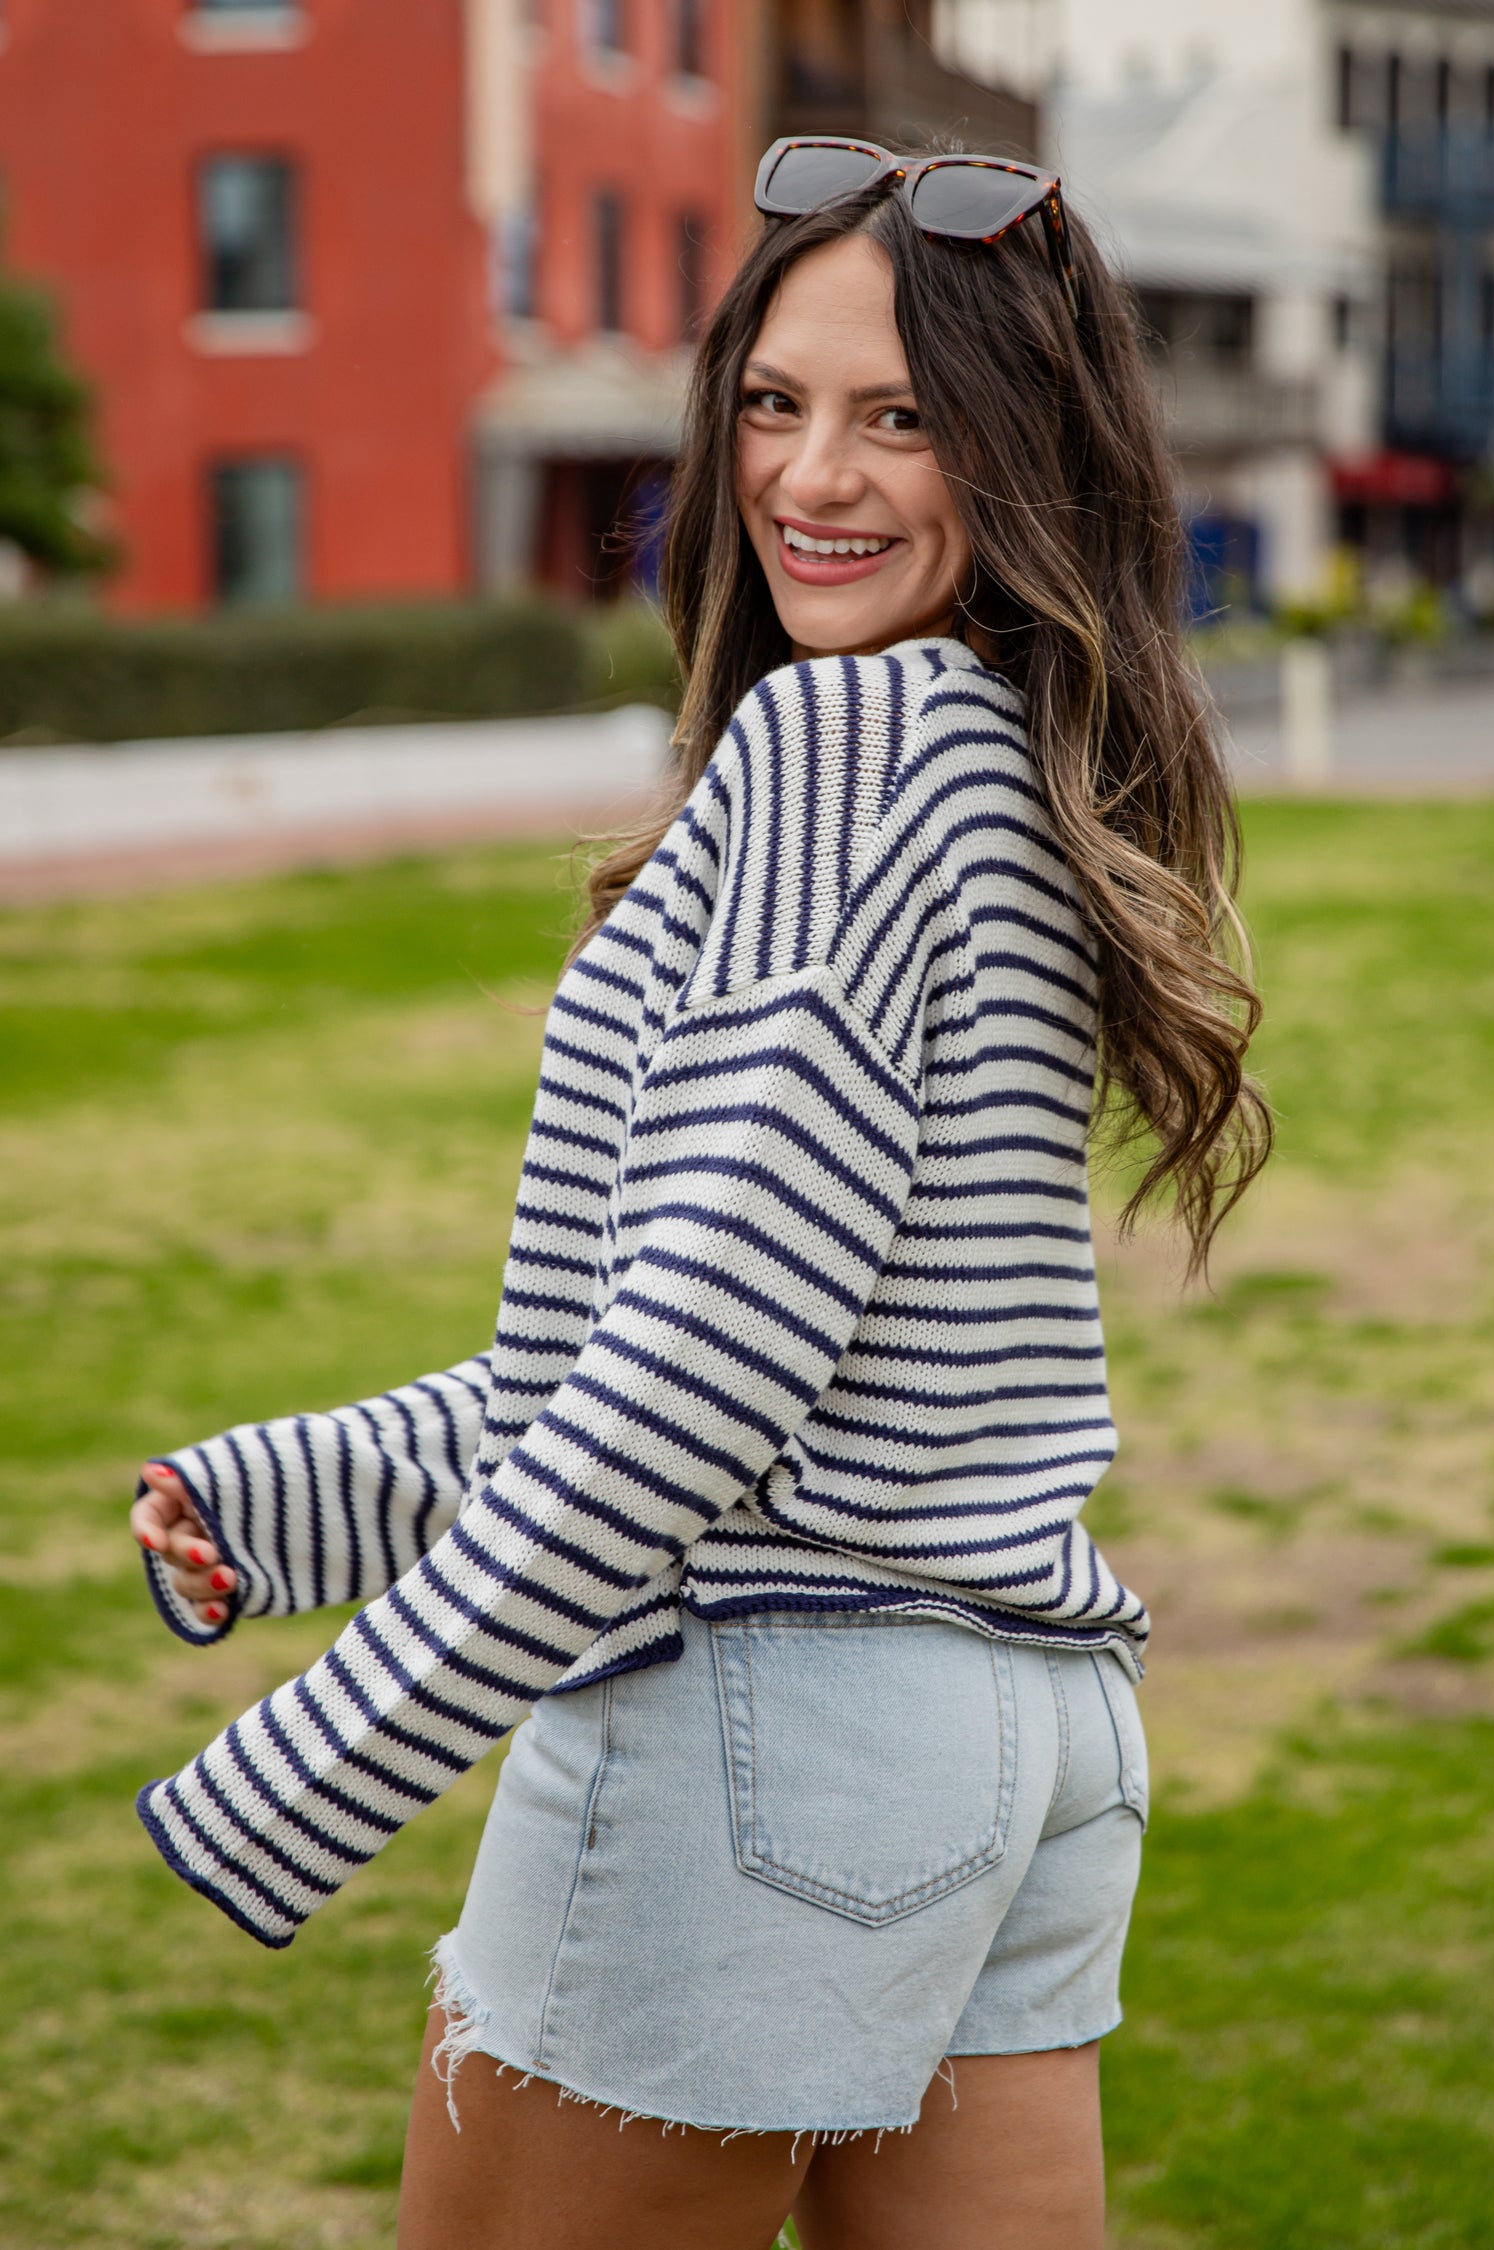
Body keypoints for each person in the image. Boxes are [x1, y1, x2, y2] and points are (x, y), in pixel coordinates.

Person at [129, 140, 1269, 2250]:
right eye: (774, 402)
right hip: (1021, 1742)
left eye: (902, 417)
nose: (812, 476)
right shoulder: (1005, 754)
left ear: (1022, 449)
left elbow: (690, 1395)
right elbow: (766, 1338)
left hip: (772, 1734)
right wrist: (310, 1495)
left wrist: (324, 1753)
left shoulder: (836, 751)